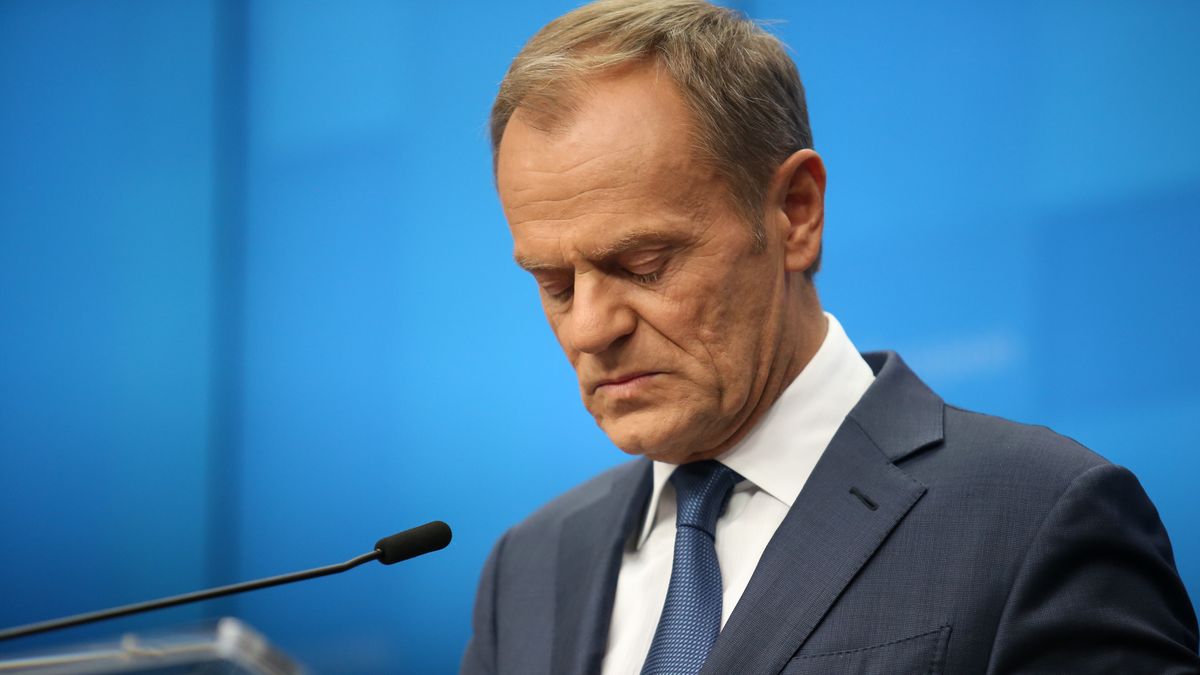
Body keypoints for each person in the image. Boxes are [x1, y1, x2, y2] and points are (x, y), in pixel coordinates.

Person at [461, 1, 1200, 673]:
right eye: (554, 283)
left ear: (795, 212)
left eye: (644, 265)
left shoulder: (1034, 517)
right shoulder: (528, 569)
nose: (590, 328)